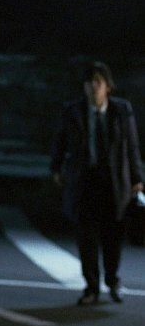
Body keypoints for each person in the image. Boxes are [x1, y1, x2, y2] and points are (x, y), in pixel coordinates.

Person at [51, 61, 145, 306]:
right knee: (87, 239)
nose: (93, 87)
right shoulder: (73, 111)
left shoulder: (121, 110)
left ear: (108, 86)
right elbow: (60, 141)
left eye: (98, 82)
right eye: (89, 82)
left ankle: (113, 281)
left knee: (113, 237)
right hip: (85, 182)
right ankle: (91, 287)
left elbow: (132, 146)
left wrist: (137, 178)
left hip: (114, 183)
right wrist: (56, 168)